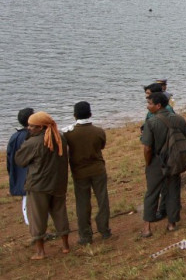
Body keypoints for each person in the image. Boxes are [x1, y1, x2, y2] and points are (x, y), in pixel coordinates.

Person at [15, 112, 70, 259]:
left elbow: (20, 160)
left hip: (38, 185)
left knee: (37, 217)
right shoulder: (60, 138)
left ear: (41, 127)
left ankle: (40, 252)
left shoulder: (33, 142)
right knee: (60, 213)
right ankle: (65, 246)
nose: (29, 128)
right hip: (58, 182)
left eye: (32, 126)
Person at [140, 92, 186, 236]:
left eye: (150, 103)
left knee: (152, 193)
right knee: (173, 191)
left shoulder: (151, 123)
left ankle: (147, 228)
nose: (148, 106)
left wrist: (148, 162)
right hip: (174, 160)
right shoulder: (179, 119)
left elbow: (147, 148)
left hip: (157, 161)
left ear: (158, 105)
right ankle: (171, 223)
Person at [64, 101, 111, 245]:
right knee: (102, 200)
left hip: (79, 172)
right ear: (90, 114)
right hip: (97, 169)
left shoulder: (68, 134)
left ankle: (85, 235)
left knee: (82, 203)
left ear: (74, 115)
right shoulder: (98, 131)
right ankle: (104, 230)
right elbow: (101, 146)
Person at [7, 108, 33, 225]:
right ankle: (35, 229)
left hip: (20, 172)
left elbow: (9, 158)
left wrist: (12, 173)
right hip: (31, 173)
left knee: (26, 199)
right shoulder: (33, 135)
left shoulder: (15, 137)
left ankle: (32, 225)